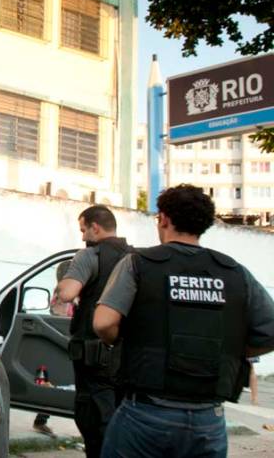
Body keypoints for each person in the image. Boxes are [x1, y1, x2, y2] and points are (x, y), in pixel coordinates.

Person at [94, 185, 274, 458]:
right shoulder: (235, 272)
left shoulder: (138, 263)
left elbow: (103, 323)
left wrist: (120, 341)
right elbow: (270, 332)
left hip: (146, 413)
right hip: (208, 419)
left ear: (164, 218)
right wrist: (233, 350)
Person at [52, 205, 131, 458]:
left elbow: (68, 293)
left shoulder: (89, 255)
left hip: (95, 359)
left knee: (94, 421)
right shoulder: (136, 258)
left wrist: (62, 283)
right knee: (122, 420)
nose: (83, 236)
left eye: (83, 230)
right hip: (128, 358)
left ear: (95, 227)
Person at [33, 261, 74, 437]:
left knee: (54, 383)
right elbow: (60, 315)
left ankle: (41, 420)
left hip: (63, 340)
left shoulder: (65, 292)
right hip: (61, 341)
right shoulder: (63, 293)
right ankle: (40, 421)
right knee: (54, 383)